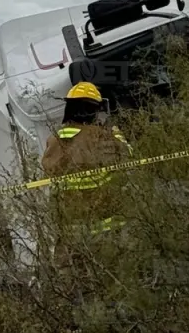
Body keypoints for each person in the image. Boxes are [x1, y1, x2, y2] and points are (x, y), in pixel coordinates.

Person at [41, 82, 132, 257]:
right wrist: (118, 136)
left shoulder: (55, 139)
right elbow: (129, 157)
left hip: (71, 231)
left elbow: (49, 169)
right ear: (95, 110)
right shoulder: (101, 136)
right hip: (108, 228)